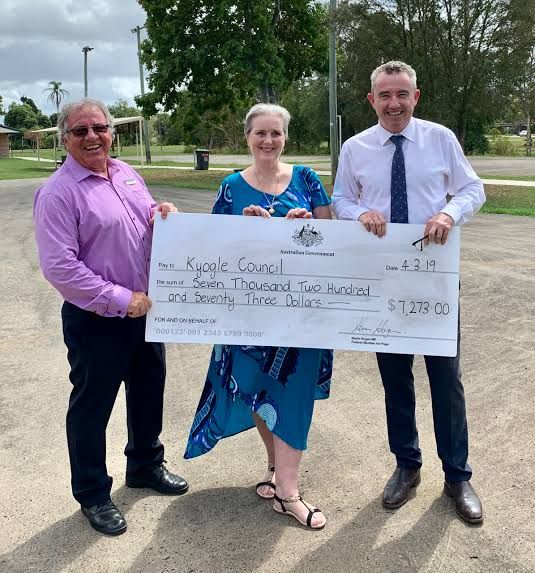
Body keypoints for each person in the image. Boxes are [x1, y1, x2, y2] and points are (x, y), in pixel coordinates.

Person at [332, 61, 485, 524]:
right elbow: (339, 198)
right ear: (371, 100)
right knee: (395, 382)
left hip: (433, 278)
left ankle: (457, 476)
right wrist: (358, 213)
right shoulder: (355, 149)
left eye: (402, 94)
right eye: (384, 95)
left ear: (415, 97)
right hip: (382, 281)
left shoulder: (440, 139)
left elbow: (472, 189)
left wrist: (448, 215)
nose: (393, 103)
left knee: (446, 380)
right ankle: (407, 465)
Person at [33, 98, 188, 536]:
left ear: (112, 132)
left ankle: (144, 466)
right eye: (80, 131)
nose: (91, 136)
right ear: (65, 138)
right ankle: (93, 493)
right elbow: (60, 267)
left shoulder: (125, 173)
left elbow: (143, 226)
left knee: (147, 392)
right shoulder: (58, 192)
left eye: (99, 127)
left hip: (146, 311)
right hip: (97, 319)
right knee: (92, 407)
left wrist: (164, 217)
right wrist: (121, 299)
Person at [184, 103, 333, 530]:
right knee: (255, 390)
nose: (268, 141)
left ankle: (288, 491)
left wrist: (302, 228)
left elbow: (334, 245)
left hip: (301, 316)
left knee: (293, 394)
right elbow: (210, 247)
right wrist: (242, 231)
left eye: (276, 133)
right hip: (247, 318)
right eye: (260, 133)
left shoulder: (307, 179)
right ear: (246, 137)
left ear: (286, 137)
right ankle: (274, 467)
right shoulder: (231, 187)